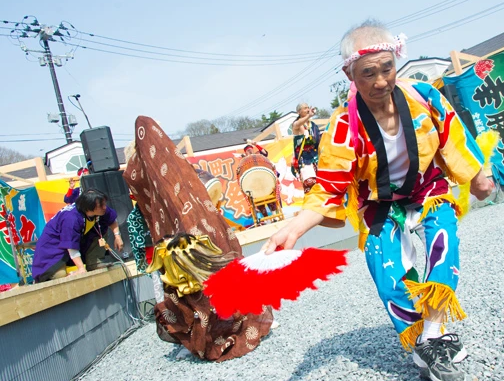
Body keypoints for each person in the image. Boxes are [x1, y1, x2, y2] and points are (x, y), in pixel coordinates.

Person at [266, 22, 493, 381]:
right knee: (389, 281)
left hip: (427, 191)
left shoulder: (424, 97)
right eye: (367, 73)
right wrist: (292, 229)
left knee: (442, 249)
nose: (380, 81)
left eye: (386, 68)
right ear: (349, 74)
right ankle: (423, 339)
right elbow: (329, 187)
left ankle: (433, 336)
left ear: (396, 61)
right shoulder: (344, 126)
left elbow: (455, 136)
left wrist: (478, 178)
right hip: (378, 206)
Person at [124, 115, 273, 360]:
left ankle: (213, 332)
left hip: (185, 234)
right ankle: (216, 329)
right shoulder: (158, 168)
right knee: (201, 283)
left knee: (199, 284)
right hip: (186, 233)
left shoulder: (165, 169)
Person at [32, 189, 123, 282]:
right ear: (90, 207)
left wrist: (117, 236)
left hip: (77, 242)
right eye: (101, 205)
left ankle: (94, 262)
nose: (105, 207)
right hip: (52, 249)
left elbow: (111, 219)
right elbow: (71, 246)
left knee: (101, 226)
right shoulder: (71, 219)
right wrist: (81, 269)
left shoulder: (98, 208)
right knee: (59, 275)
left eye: (104, 204)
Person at [290, 102, 322, 194]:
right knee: (310, 184)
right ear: (298, 112)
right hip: (304, 159)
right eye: (305, 108)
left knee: (323, 183)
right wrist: (308, 116)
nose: (307, 109)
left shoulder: (313, 125)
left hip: (316, 156)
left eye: (308, 107)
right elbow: (297, 124)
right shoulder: (297, 124)